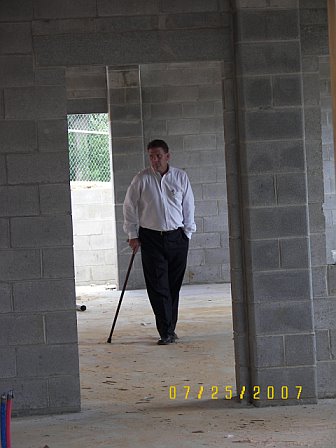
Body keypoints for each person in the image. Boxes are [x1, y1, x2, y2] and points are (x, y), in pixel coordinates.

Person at [123, 139, 196, 345]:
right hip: (151, 238)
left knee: (173, 285)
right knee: (158, 286)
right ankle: (165, 331)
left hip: (177, 237)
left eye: (158, 155)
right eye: (151, 156)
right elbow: (129, 207)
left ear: (167, 156)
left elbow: (188, 204)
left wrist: (187, 232)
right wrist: (132, 234)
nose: (154, 160)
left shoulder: (180, 177)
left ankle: (170, 327)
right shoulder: (141, 179)